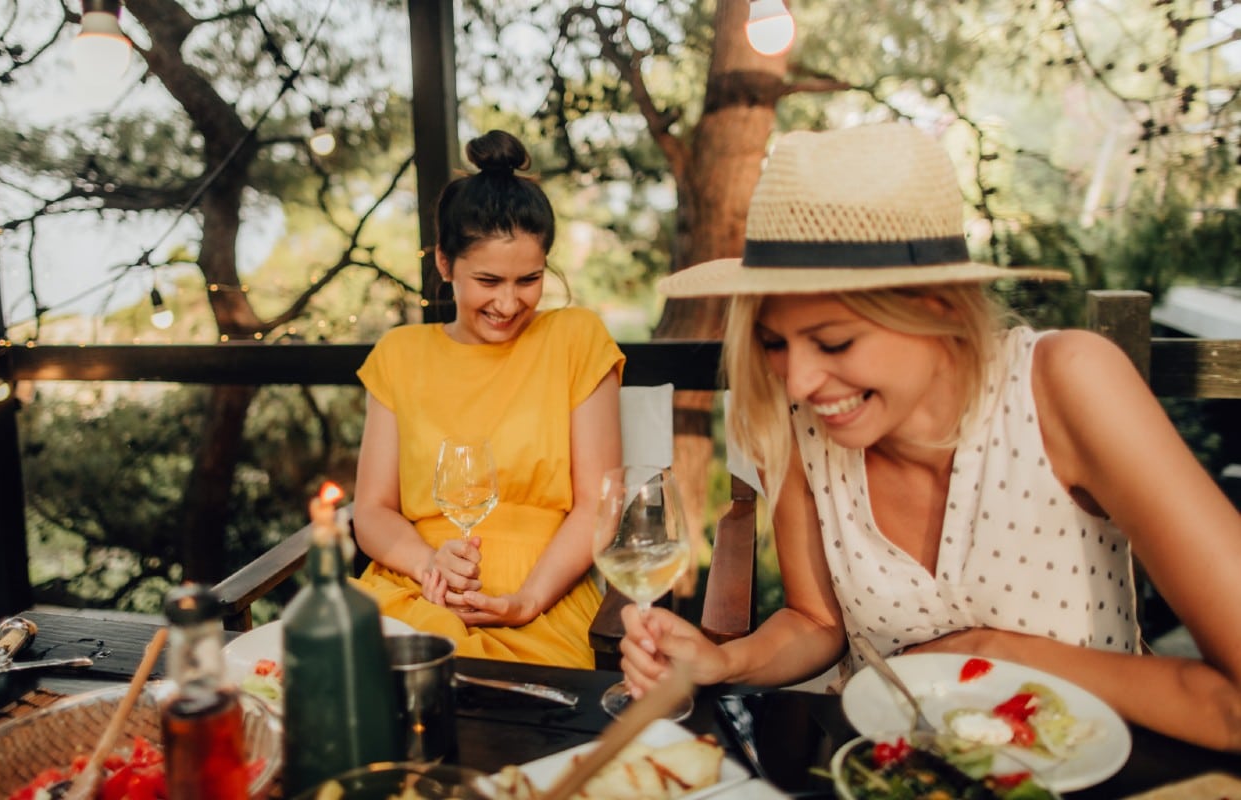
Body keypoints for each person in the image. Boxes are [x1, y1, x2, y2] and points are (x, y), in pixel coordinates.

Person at [619, 123, 1241, 752]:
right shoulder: (803, 422)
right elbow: (815, 621)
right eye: (776, 343)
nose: (800, 381)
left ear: (938, 306)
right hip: (888, 773)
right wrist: (726, 664)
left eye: (835, 342)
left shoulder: (1066, 385)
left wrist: (989, 651)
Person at [351, 129, 624, 669]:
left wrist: (528, 600)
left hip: (545, 595)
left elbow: (599, 506)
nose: (508, 302)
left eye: (529, 279)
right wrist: (430, 563)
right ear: (445, 264)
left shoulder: (576, 339)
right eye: (488, 279)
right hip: (415, 585)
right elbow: (372, 511)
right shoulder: (399, 354)